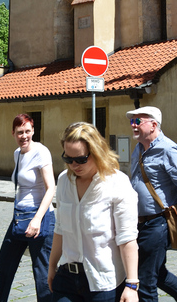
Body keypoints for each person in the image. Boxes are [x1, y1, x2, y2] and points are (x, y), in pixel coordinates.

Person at [48, 122, 139, 302]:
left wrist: (132, 284)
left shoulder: (117, 183)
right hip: (66, 279)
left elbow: (127, 238)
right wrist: (52, 267)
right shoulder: (64, 181)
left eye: (81, 159)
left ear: (97, 152)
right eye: (68, 159)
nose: (74, 165)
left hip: (102, 283)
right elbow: (60, 229)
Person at [126, 106, 177, 302]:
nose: (133, 126)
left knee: (146, 280)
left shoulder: (168, 149)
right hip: (138, 223)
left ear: (153, 125)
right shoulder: (138, 148)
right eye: (131, 122)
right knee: (158, 274)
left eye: (138, 121)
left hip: (158, 223)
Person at [0, 114, 55, 302]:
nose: (24, 136)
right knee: (3, 265)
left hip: (41, 219)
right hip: (20, 218)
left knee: (42, 274)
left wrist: (37, 219)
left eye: (27, 131)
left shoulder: (41, 152)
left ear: (33, 131)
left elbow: (51, 187)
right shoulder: (17, 153)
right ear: (13, 133)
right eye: (20, 132)